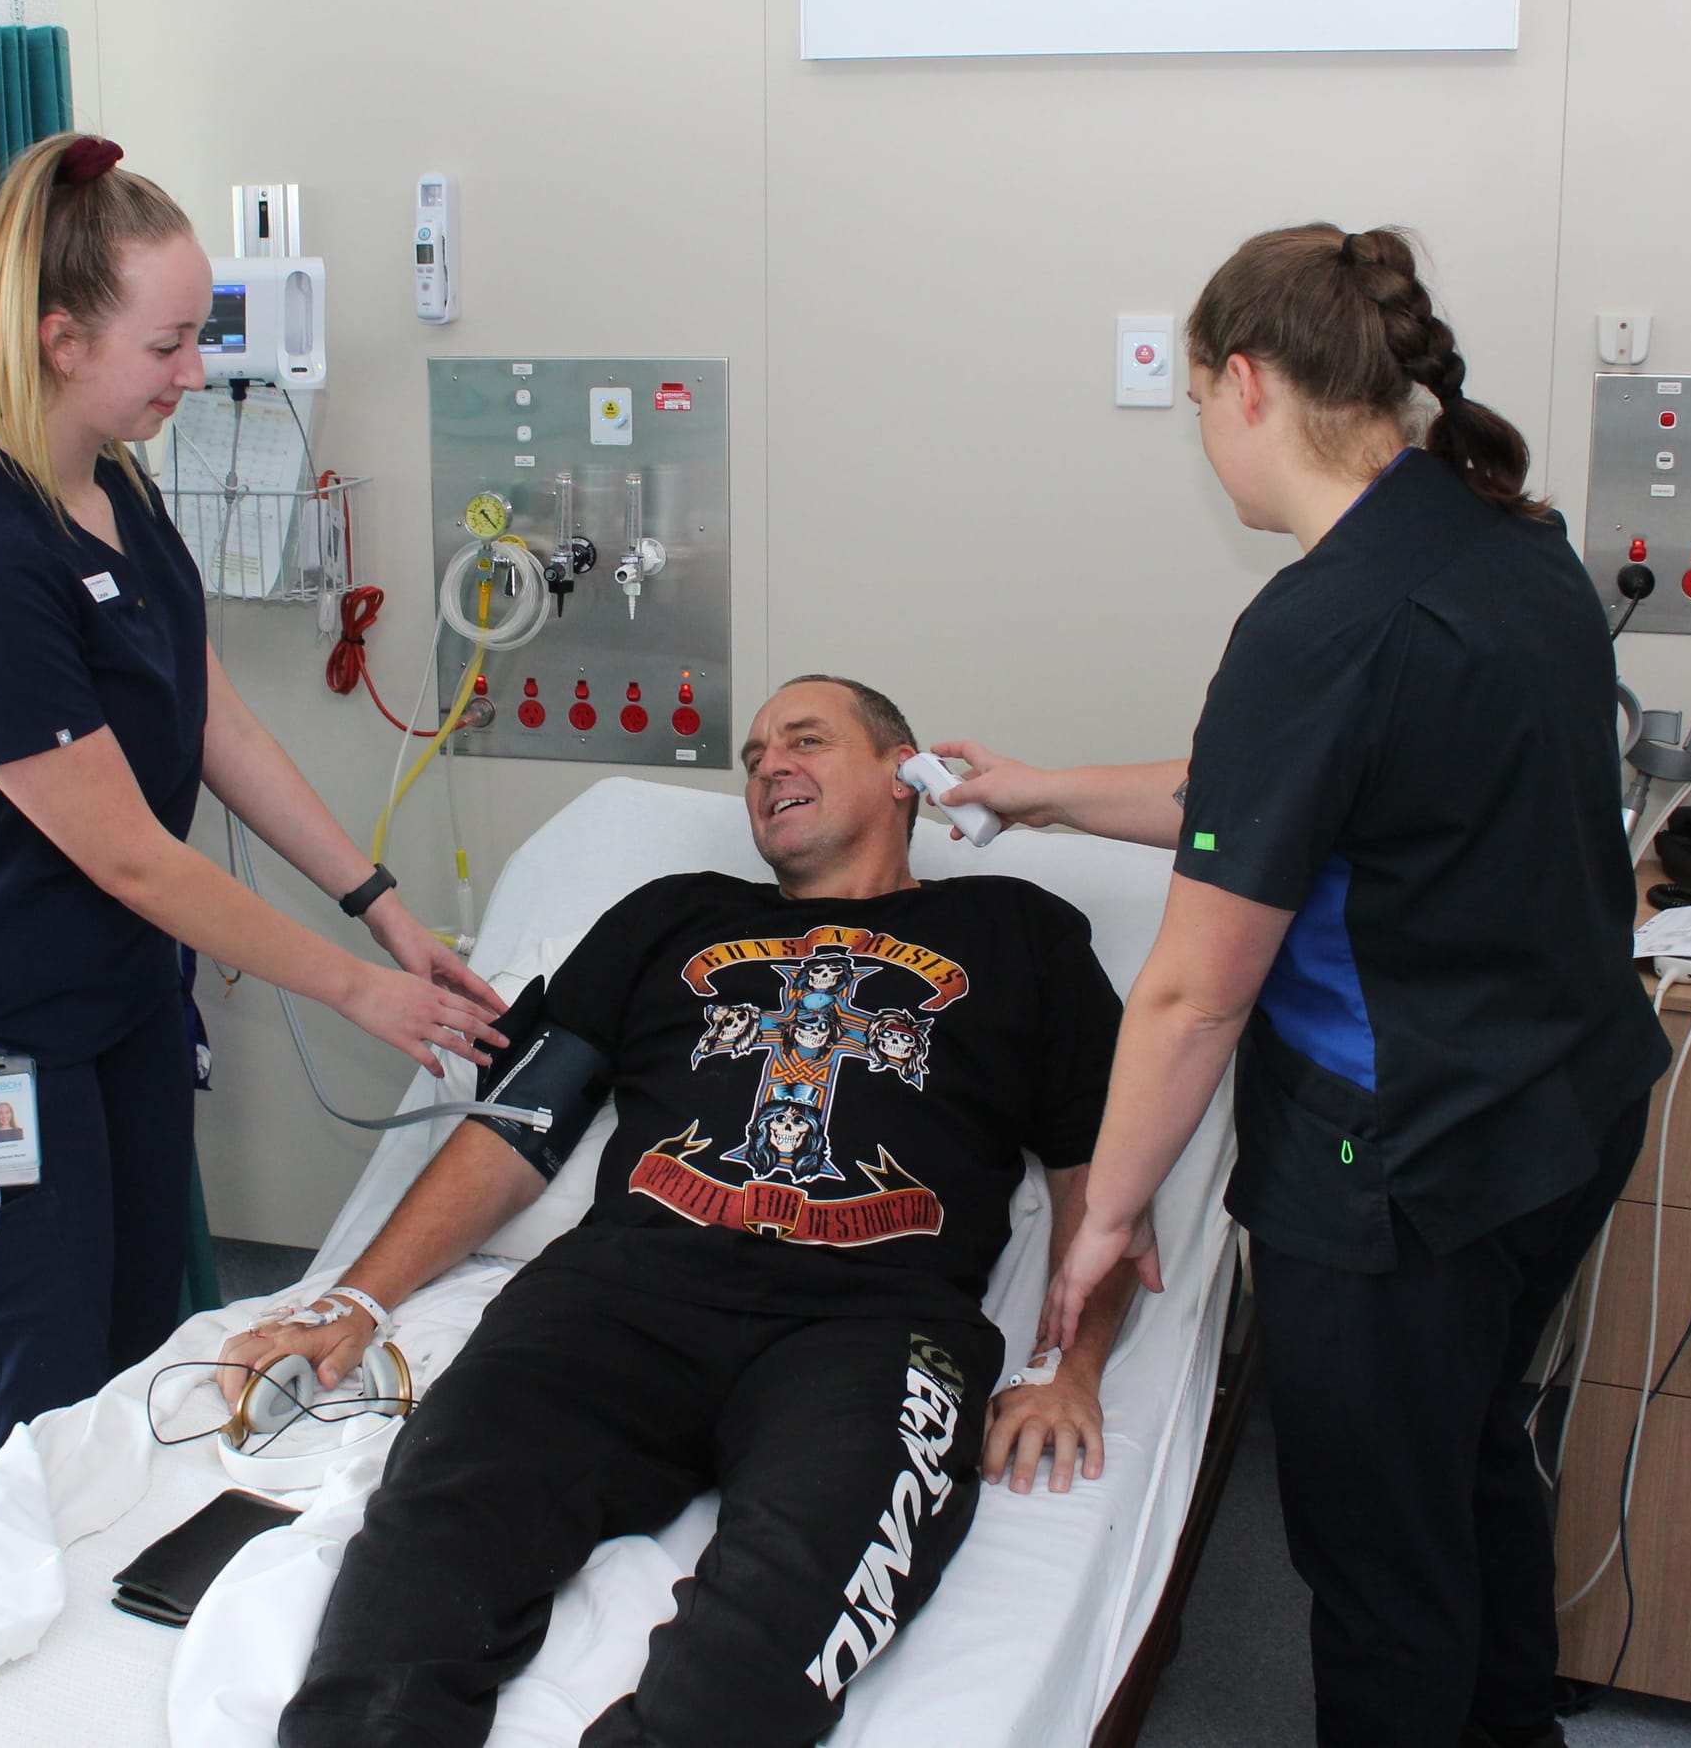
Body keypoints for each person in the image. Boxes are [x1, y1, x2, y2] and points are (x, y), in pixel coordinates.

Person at [934, 226, 1672, 1748]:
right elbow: (1280, 788)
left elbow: (1193, 995)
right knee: (1471, 1464)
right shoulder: (1504, 536)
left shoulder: (1315, 622)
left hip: (1396, 1168)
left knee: (1379, 1563)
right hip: (1564, 1114)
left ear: (1249, 385)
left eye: (1201, 397)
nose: (1209, 442)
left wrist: (1113, 1217)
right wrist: (1049, 793)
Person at [217, 675, 1140, 1748]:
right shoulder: (667, 917)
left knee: (768, 1639)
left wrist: (1064, 1368)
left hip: (874, 1327)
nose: (768, 768)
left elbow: (1100, 1177)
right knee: (429, 1540)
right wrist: (357, 1300)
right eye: (751, 758)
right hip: (616, 1301)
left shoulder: (1015, 932)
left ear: (905, 775)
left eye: (804, 739)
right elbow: (521, 1127)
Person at [0, 132, 507, 1502]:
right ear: (62, 337)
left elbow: (214, 721)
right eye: (170, 345)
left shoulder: (121, 491)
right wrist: (353, 991)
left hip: (114, 1005)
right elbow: (133, 849)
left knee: (143, 1356)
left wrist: (381, 906)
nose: (195, 374)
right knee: (39, 1391)